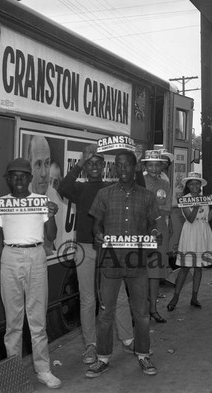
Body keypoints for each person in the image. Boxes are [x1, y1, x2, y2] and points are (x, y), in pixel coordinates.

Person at [0, 158, 62, 389]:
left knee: (37, 320)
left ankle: (43, 370)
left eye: (23, 175)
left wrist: (52, 214)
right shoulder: (0, 204)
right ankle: (13, 371)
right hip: (10, 256)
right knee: (13, 321)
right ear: (8, 179)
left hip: (36, 256)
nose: (18, 179)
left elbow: (52, 236)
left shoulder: (41, 201)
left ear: (30, 178)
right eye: (14, 175)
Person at [58, 145, 135, 365]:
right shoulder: (80, 189)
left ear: (104, 167)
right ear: (85, 167)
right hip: (84, 248)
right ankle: (91, 346)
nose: (93, 166)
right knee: (87, 299)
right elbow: (63, 187)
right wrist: (80, 161)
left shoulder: (113, 187)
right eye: (90, 163)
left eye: (97, 163)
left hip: (109, 248)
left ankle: (128, 339)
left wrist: (136, 161)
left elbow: (137, 185)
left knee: (118, 295)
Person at [86, 150, 161, 378]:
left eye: (127, 165)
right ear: (115, 168)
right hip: (110, 261)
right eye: (119, 166)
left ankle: (143, 355)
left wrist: (155, 234)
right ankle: (102, 358)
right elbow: (96, 225)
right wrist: (98, 234)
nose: (123, 170)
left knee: (141, 312)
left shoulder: (147, 196)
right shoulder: (104, 194)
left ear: (135, 167)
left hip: (137, 261)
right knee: (105, 312)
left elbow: (153, 226)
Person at [167, 172, 212, 311]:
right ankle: (175, 298)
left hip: (203, 232)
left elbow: (208, 218)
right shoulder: (184, 200)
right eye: (192, 184)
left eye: (197, 183)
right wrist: (196, 206)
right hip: (190, 233)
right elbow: (190, 218)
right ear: (188, 186)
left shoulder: (205, 199)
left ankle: (194, 297)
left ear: (200, 186)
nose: (195, 186)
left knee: (199, 267)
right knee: (184, 267)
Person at [141, 150, 172, 323]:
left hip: (159, 230)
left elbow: (167, 208)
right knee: (138, 271)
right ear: (145, 166)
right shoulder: (138, 181)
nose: (154, 167)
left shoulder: (165, 184)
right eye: (150, 164)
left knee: (154, 273)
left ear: (162, 166)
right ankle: (140, 310)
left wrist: (149, 211)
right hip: (139, 230)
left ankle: (153, 309)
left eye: (157, 164)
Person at [27, 135, 66, 255]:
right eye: (38, 164)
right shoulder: (21, 196)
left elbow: (55, 241)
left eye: (47, 163)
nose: (44, 173)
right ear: (30, 165)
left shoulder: (57, 199)